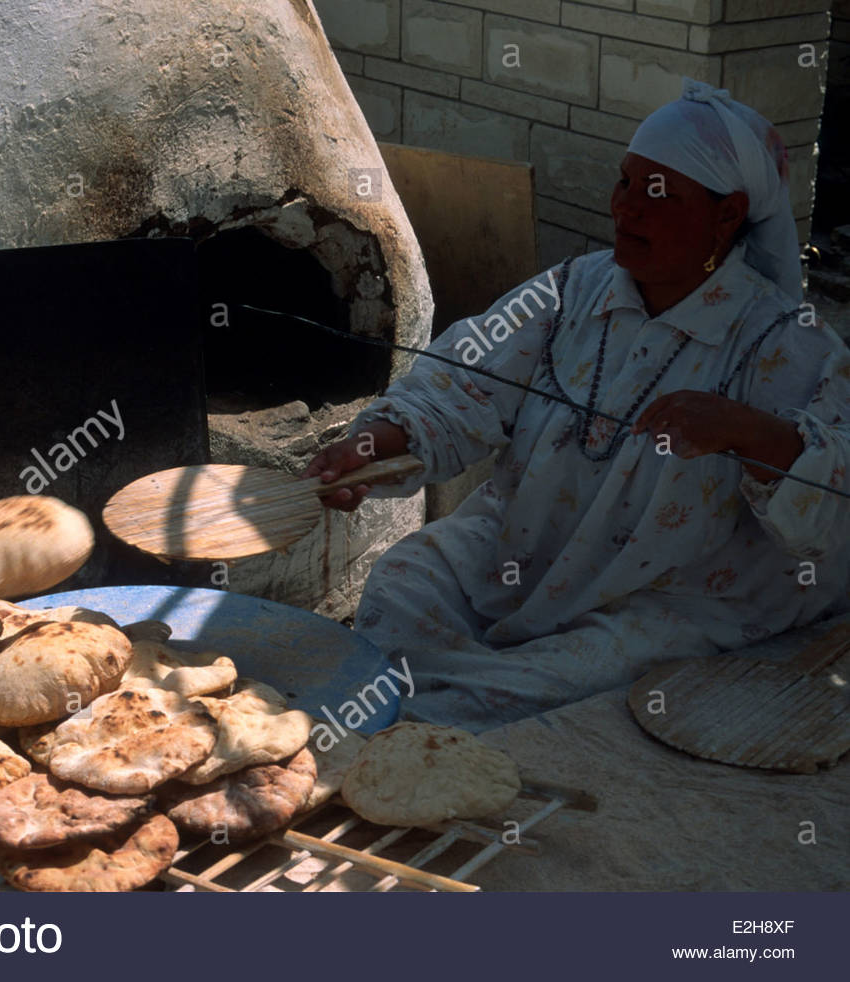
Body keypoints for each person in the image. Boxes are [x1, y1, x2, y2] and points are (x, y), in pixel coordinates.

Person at [303, 78, 850, 733]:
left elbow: (833, 503)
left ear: (727, 215)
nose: (627, 211)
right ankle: (430, 714)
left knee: (565, 684)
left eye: (658, 197)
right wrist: (370, 447)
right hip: (529, 545)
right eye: (624, 184)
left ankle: (421, 726)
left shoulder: (788, 339)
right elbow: (457, 388)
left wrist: (749, 432)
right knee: (404, 580)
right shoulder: (570, 290)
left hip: (674, 591)